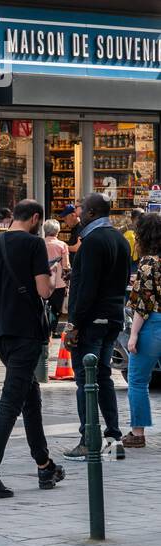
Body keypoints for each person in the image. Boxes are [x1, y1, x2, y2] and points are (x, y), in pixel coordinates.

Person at [0, 200, 65, 498]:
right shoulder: (34, 245)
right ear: (36, 218)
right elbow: (43, 291)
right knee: (11, 401)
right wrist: (52, 279)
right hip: (25, 331)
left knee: (29, 397)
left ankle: (44, 464)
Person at [62, 193, 131, 461]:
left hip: (92, 320)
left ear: (91, 213)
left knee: (86, 380)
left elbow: (87, 288)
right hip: (113, 316)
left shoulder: (92, 242)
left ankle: (88, 439)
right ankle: (114, 437)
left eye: (80, 209)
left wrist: (74, 324)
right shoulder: (119, 239)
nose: (77, 214)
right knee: (103, 377)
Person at [124, 212, 161, 448]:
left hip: (153, 323)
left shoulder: (148, 262)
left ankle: (137, 433)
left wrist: (134, 334)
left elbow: (144, 302)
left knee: (138, 380)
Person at [43, 220, 69, 323]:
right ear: (57, 231)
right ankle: (54, 329)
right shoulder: (62, 245)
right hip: (59, 282)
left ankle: (45, 328)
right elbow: (66, 266)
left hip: (42, 280)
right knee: (56, 308)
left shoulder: (39, 243)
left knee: (43, 306)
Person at [124, 208, 142, 275]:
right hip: (130, 260)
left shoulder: (144, 229)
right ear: (132, 218)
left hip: (138, 260)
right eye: (138, 218)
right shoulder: (125, 228)